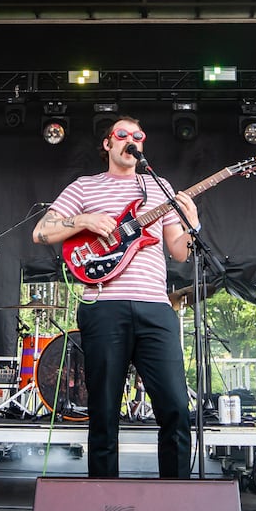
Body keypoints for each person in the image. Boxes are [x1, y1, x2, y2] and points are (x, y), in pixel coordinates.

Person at [33, 117, 200, 479]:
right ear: (108, 144)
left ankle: (178, 495)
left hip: (156, 307)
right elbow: (42, 231)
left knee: (174, 405)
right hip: (104, 306)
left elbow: (180, 252)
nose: (131, 140)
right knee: (104, 410)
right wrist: (85, 221)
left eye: (138, 135)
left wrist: (191, 222)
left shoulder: (159, 188)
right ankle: (102, 498)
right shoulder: (84, 187)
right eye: (122, 134)